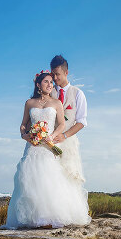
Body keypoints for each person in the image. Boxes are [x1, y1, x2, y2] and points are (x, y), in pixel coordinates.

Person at [3, 71, 91, 229]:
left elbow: (62, 124)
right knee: (29, 178)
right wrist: (25, 135)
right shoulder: (29, 103)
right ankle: (32, 218)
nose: (50, 84)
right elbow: (23, 124)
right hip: (33, 146)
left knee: (49, 179)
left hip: (48, 146)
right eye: (46, 82)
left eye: (51, 82)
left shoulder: (56, 103)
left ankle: (49, 217)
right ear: (38, 84)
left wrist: (52, 136)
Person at [49, 54, 87, 184]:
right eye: (52, 74)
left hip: (69, 142)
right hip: (49, 142)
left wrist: (64, 135)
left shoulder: (78, 94)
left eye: (57, 74)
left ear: (66, 72)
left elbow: (81, 122)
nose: (54, 78)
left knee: (67, 179)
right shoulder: (48, 92)